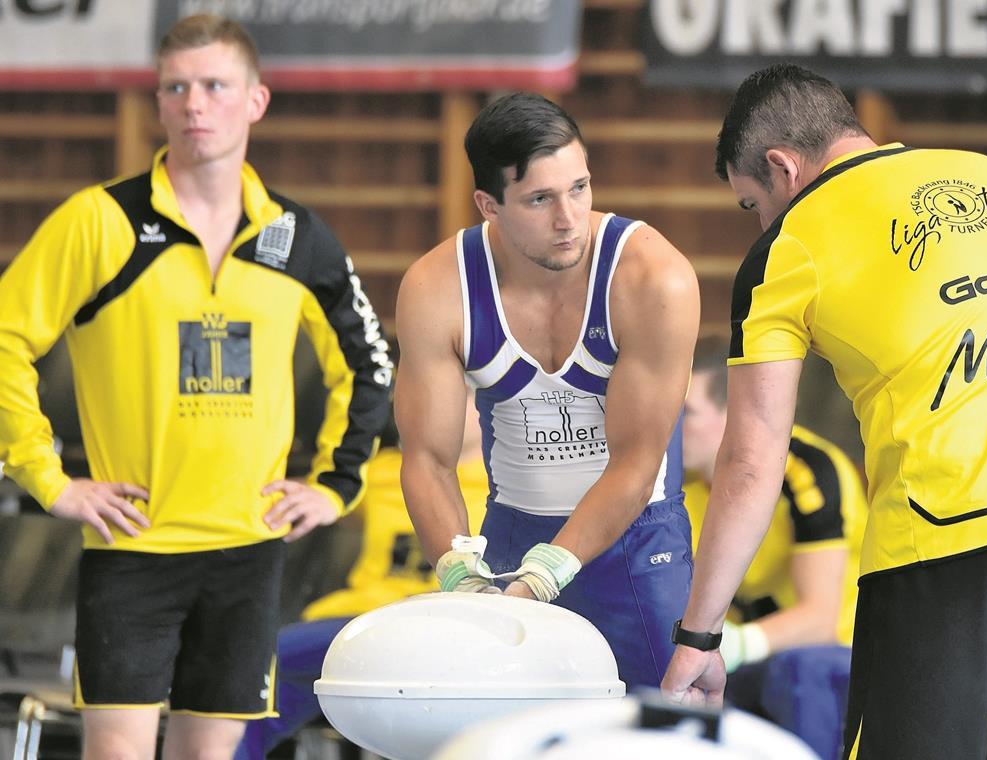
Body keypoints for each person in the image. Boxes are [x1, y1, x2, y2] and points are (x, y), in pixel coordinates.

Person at [661, 64, 987, 760]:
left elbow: (753, 459)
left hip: (944, 532)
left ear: (782, 167)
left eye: (752, 204)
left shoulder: (789, 245)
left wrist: (700, 636)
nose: (759, 224)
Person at [0, 14, 392, 760]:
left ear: (256, 101)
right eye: (175, 87)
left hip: (249, 548)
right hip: (132, 543)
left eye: (215, 86)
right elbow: (5, 338)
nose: (194, 104)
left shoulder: (297, 238)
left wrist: (336, 484)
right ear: (158, 103)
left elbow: (368, 364)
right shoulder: (102, 222)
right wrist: (48, 479)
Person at [395, 92, 701, 689]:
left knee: (669, 722)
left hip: (638, 539)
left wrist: (549, 571)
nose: (569, 220)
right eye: (540, 199)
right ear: (489, 205)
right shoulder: (439, 287)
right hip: (511, 531)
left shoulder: (651, 276)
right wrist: (458, 566)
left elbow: (638, 464)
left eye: (580, 188)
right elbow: (428, 460)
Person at [235, 393, 487, 760]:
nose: (432, 402)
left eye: (459, 395)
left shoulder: (508, 482)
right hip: (359, 623)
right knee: (256, 673)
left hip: (451, 630)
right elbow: (317, 498)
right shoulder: (386, 470)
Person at [683, 333, 866, 758]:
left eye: (686, 412)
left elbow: (820, 618)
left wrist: (732, 645)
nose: (671, 426)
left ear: (732, 414)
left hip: (834, 657)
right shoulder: (680, 483)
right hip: (743, 658)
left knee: (798, 671)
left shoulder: (805, 468)